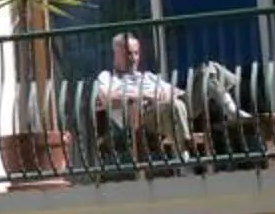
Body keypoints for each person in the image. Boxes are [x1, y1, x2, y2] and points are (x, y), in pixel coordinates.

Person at [91, 33, 246, 154]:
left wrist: (180, 93)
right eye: (128, 54)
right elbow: (106, 97)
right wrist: (145, 96)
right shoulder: (108, 77)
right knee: (174, 105)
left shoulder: (148, 76)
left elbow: (174, 92)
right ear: (116, 55)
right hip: (143, 117)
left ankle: (232, 111)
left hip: (172, 105)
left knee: (209, 70)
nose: (133, 59)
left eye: (136, 53)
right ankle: (184, 160)